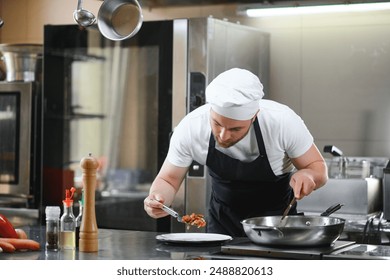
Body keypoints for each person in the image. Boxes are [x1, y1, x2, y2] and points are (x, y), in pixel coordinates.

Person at [144, 68, 328, 237]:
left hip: (277, 226)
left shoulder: (283, 122)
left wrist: (309, 175)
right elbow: (168, 179)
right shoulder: (191, 127)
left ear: (253, 116)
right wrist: (158, 199)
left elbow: (318, 168)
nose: (223, 135)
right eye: (217, 123)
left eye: (235, 129)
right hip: (222, 226)